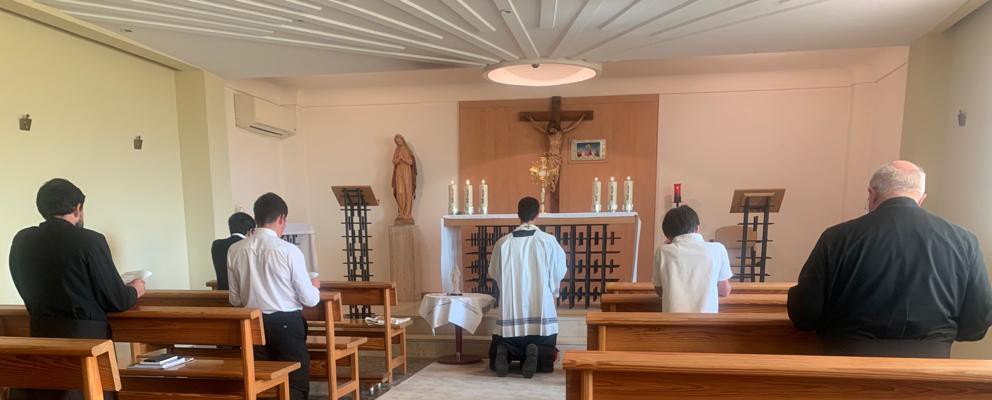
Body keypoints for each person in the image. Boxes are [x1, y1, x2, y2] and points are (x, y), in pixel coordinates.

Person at [788, 160, 992, 358]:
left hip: (848, 365)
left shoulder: (837, 237)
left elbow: (805, 316)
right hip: (930, 370)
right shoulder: (964, 241)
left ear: (872, 193)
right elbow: (977, 324)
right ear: (921, 198)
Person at [8, 178, 145, 400]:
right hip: (85, 345)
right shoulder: (90, 240)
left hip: (40, 340)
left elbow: (21, 282)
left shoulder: (22, 240)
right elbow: (117, 300)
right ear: (77, 208)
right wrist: (135, 290)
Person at [227, 193, 319, 400]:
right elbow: (310, 300)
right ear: (281, 219)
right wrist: (314, 286)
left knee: (261, 383)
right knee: (294, 383)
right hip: (285, 323)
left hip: (251, 322)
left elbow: (235, 300)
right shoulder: (289, 251)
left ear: (256, 217)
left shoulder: (235, 250)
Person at [487, 197, 567, 378]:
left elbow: (495, 272)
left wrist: (508, 288)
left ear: (518, 215)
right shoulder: (548, 241)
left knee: (506, 339)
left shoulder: (503, 242)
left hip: (511, 309)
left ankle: (504, 351)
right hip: (540, 308)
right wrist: (553, 289)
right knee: (544, 355)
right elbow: (559, 269)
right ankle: (536, 353)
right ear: (538, 214)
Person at [652, 205, 732, 313]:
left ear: (668, 236)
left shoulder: (662, 251)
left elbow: (660, 291)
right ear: (697, 228)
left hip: (673, 324)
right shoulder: (718, 249)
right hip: (708, 325)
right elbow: (725, 290)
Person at [211, 212, 255, 290]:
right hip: (242, 297)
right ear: (250, 231)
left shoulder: (216, 245)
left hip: (221, 294)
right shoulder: (249, 246)